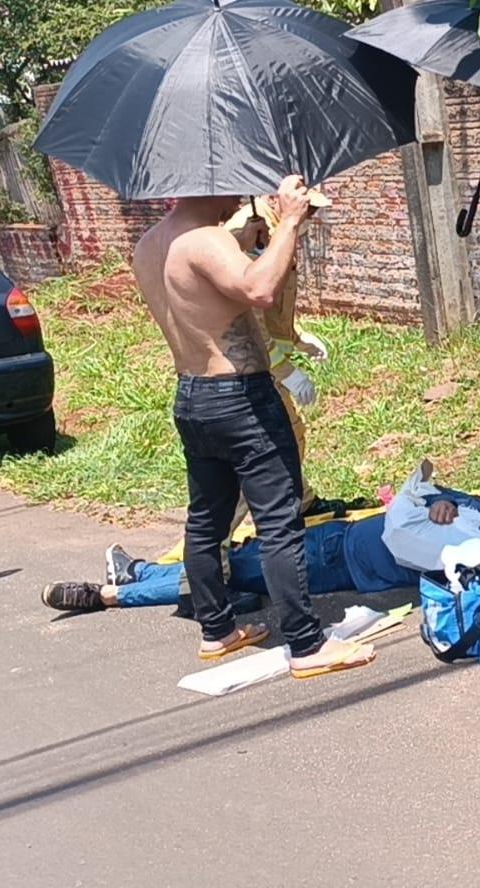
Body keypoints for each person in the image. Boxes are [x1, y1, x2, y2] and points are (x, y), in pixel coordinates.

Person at [131, 175, 370, 677]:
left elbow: (209, 295)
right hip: (239, 395)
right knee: (279, 522)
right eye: (233, 186)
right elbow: (260, 290)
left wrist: (257, 243)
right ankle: (307, 645)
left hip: (192, 394)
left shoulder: (152, 244)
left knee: (206, 520)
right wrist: (288, 222)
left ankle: (217, 631)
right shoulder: (206, 239)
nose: (240, 197)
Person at [41, 490, 480, 614]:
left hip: (341, 560)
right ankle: (142, 574)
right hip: (339, 539)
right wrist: (441, 499)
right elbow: (422, 494)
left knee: (234, 567)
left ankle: (110, 593)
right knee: (242, 562)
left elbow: (430, 547)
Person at [222, 195, 332, 522]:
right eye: (305, 206)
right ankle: (224, 538)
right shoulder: (247, 234)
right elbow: (248, 318)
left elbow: (274, 308)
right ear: (274, 198)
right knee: (273, 441)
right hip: (245, 364)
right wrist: (287, 372)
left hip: (260, 359)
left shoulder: (278, 228)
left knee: (288, 434)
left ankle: (300, 504)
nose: (310, 214)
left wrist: (297, 339)